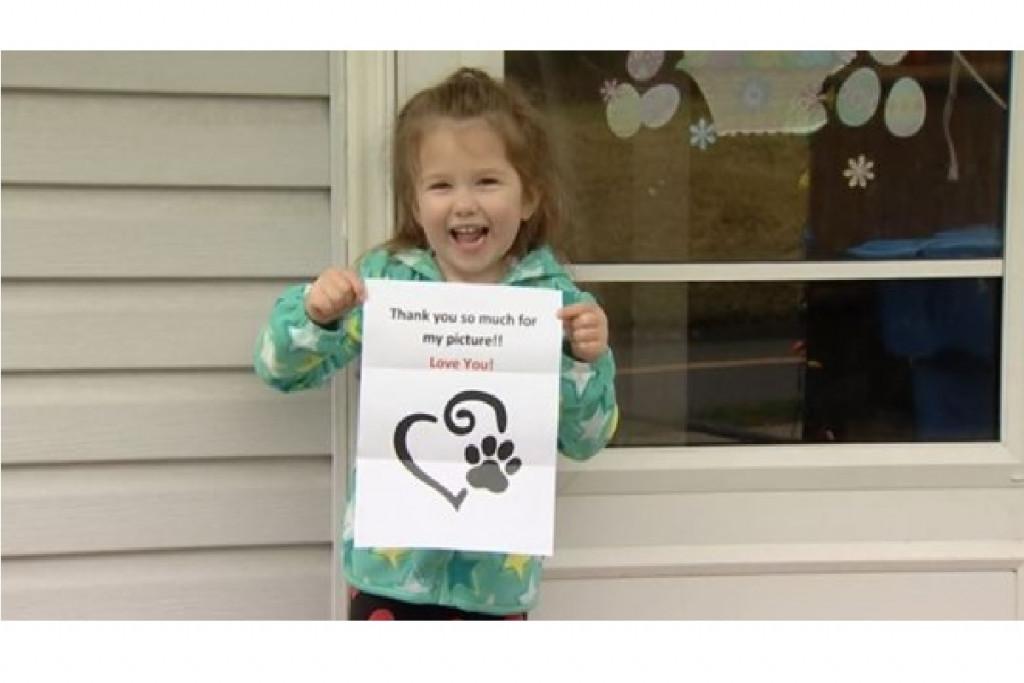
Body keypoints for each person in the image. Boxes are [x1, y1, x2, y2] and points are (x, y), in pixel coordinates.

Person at [254, 67, 617, 620]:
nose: (464, 203)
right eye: (441, 185)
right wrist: (316, 314)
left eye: (486, 181)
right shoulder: (384, 285)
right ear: (415, 203)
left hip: (494, 587)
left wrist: (583, 361)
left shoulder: (555, 304)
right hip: (388, 579)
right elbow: (279, 369)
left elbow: (585, 440)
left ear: (528, 197)